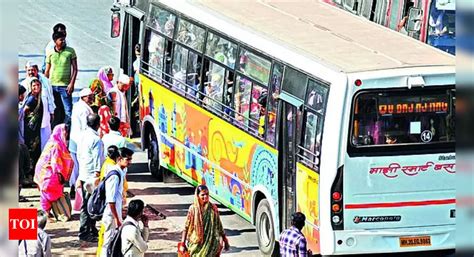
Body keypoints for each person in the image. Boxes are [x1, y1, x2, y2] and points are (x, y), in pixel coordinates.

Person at [100, 147, 134, 257]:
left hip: (115, 212)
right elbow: (111, 200)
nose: (130, 162)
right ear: (119, 159)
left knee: (112, 239)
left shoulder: (121, 171)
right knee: (108, 241)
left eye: (130, 159)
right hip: (111, 214)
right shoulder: (114, 175)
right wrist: (116, 218)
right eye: (127, 159)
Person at [34, 124, 74, 213]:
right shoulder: (56, 145)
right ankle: (46, 213)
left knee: (45, 194)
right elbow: (55, 162)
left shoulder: (51, 142)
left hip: (41, 172)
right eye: (65, 132)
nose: (66, 135)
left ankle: (47, 211)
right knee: (52, 188)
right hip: (47, 173)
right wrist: (60, 174)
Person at [180, 184, 230, 256]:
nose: (205, 196)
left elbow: (219, 226)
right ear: (197, 196)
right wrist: (182, 243)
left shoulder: (213, 208)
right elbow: (186, 227)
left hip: (211, 244)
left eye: (207, 194)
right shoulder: (193, 209)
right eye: (202, 195)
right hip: (197, 244)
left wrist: (225, 240)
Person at [77, 113, 104, 243]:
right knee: (89, 205)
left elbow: (79, 154)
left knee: (90, 204)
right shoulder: (96, 139)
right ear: (98, 124)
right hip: (91, 176)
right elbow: (98, 159)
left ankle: (92, 229)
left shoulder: (82, 135)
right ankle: (84, 232)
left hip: (83, 173)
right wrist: (98, 175)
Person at [45, 30, 78, 126]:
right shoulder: (50, 53)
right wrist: (46, 86)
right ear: (55, 41)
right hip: (53, 86)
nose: (63, 41)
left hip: (65, 86)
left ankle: (67, 132)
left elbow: (75, 69)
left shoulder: (70, 51)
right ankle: (56, 132)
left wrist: (72, 84)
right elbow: (47, 71)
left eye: (64, 39)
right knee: (56, 109)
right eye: (61, 40)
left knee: (68, 111)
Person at [22, 61, 55, 150]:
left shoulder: (45, 81)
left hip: (45, 117)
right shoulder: (23, 84)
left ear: (37, 70)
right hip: (32, 121)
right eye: (29, 70)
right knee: (33, 144)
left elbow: (50, 98)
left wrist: (52, 112)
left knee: (45, 141)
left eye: (33, 70)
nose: (31, 72)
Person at [69, 88, 94, 196]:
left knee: (75, 167)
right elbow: (85, 126)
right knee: (81, 167)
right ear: (83, 97)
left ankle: (73, 187)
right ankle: (78, 189)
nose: (92, 98)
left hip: (75, 140)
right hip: (80, 141)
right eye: (89, 96)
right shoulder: (83, 109)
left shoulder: (78, 105)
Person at [23, 78, 44, 178]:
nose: (36, 87)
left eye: (38, 85)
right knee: (32, 150)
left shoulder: (37, 98)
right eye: (34, 86)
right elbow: (25, 110)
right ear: (30, 88)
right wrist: (31, 117)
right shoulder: (31, 99)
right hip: (31, 130)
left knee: (35, 150)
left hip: (36, 129)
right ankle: (30, 175)